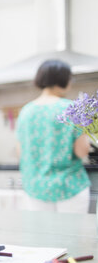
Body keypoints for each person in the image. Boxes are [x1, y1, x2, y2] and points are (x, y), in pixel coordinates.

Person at [16, 59, 90, 212]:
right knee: (71, 236)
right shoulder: (71, 108)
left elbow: (20, 153)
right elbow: (82, 151)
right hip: (69, 188)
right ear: (63, 79)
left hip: (35, 189)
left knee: (41, 236)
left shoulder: (25, 112)